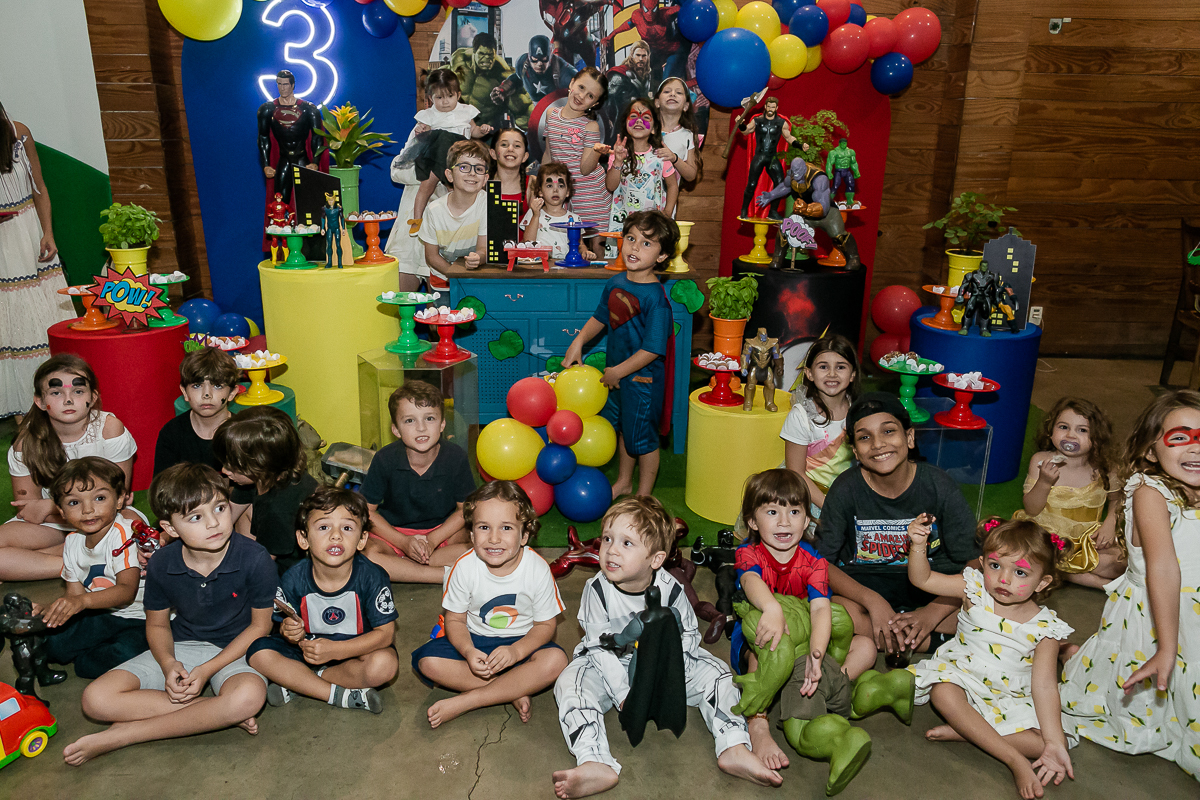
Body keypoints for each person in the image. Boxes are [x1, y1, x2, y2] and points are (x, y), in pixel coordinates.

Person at [552, 495, 780, 798]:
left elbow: (687, 635)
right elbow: (599, 647)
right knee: (570, 684)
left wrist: (667, 676)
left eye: (626, 543)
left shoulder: (671, 589)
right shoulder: (597, 589)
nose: (611, 550)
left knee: (720, 674)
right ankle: (594, 761)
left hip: (664, 664)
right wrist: (624, 693)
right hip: (610, 664)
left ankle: (734, 746)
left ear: (656, 559)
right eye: (607, 538)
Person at [64, 463, 277, 766]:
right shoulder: (162, 563)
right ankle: (210, 713)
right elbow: (157, 624)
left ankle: (125, 734)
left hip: (239, 651)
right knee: (95, 700)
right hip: (184, 646)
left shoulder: (255, 558)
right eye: (195, 517)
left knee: (247, 698)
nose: (214, 523)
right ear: (171, 528)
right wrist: (167, 664)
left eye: (219, 508)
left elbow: (260, 627)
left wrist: (208, 670)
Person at [1059, 389, 1200, 782]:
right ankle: (1064, 650)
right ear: (1152, 450)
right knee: (1125, 691)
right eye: (1180, 437)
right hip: (1157, 618)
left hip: (1194, 612)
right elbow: (1164, 569)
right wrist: (1168, 648)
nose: (1196, 449)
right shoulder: (1152, 494)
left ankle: (1072, 652)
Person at [908, 517, 1075, 799]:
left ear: (1042, 582)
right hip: (963, 673)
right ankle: (1012, 758)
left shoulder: (1046, 629)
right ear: (983, 563)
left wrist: (1055, 742)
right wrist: (917, 546)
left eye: (1021, 573)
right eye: (996, 566)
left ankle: (967, 731)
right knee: (943, 694)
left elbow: (1045, 686)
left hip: (1010, 692)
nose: (1004, 579)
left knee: (1048, 742)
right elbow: (922, 579)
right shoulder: (973, 589)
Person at [730, 470, 877, 775]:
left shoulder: (814, 562)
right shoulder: (748, 553)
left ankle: (819, 684)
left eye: (794, 511)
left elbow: (821, 609)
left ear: (807, 519)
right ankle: (757, 723)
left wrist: (816, 655)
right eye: (772, 512)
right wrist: (771, 608)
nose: (784, 521)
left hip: (808, 637)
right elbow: (750, 580)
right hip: (764, 638)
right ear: (753, 522)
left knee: (866, 645)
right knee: (764, 645)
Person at [817, 392, 979, 664]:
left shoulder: (939, 485)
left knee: (982, 606)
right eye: (864, 437)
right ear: (855, 451)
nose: (878, 444)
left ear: (910, 438)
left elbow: (973, 562)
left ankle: (898, 637)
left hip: (933, 587)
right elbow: (822, 562)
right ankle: (928, 642)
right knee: (831, 610)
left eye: (889, 431)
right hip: (866, 589)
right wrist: (872, 601)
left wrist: (934, 611)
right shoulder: (845, 488)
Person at [412, 481, 567, 729]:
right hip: (476, 641)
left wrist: (516, 652)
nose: (494, 538)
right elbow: (454, 620)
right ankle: (513, 688)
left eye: (506, 528)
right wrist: (468, 652)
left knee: (556, 661)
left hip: (523, 645)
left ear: (525, 535)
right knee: (428, 662)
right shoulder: (463, 567)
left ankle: (472, 700)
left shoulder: (537, 569)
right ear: (472, 534)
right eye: (484, 527)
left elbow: (546, 625)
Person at [247, 486, 398, 714]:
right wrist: (290, 631)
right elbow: (283, 625)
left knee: (385, 666)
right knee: (258, 653)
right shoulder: (292, 578)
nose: (336, 535)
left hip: (352, 651)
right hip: (307, 651)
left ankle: (303, 683)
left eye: (347, 528)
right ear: (303, 538)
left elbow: (385, 634)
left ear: (362, 539)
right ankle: (339, 695)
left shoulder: (373, 577)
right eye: (324, 527)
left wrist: (336, 650)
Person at [563, 210, 679, 498]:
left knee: (645, 439)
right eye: (631, 238)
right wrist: (579, 341)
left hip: (642, 382)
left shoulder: (656, 299)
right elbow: (600, 317)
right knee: (625, 430)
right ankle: (624, 481)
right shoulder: (615, 283)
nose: (635, 247)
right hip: (617, 375)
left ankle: (644, 495)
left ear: (662, 256)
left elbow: (652, 350)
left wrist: (618, 371)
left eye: (647, 243)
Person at [1, 354, 137, 581]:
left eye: (78, 391)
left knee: (134, 529)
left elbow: (115, 499)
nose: (67, 400)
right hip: (56, 523)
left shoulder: (110, 430)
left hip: (106, 519)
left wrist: (48, 505)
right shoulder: (26, 444)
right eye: (56, 393)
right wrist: (56, 511)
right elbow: (28, 510)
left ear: (93, 397)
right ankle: (85, 561)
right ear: (39, 401)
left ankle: (45, 560)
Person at [38, 457, 147, 679]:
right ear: (61, 510)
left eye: (99, 498)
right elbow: (75, 596)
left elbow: (127, 591)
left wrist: (81, 602)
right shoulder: (71, 542)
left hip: (143, 617)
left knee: (104, 660)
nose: (88, 510)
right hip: (102, 612)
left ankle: (97, 655)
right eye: (74, 502)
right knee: (51, 644)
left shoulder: (124, 535)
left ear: (119, 501)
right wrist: (50, 610)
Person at [0, 100, 74, 419]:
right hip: (3, 243)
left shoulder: (19, 133)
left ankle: (65, 397)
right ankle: (24, 416)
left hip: (29, 231)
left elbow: (39, 187)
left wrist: (48, 233)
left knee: (45, 316)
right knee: (12, 327)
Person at [361, 380, 475, 583]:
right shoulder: (384, 459)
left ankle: (406, 567)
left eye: (429, 418)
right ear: (395, 429)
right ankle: (443, 575)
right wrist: (404, 542)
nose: (421, 428)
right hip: (395, 535)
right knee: (365, 554)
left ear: (442, 424)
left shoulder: (455, 456)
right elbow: (366, 511)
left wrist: (432, 539)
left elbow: (464, 510)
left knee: (477, 544)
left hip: (443, 533)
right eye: (409, 421)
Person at [1013, 397, 1124, 588]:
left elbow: (1117, 500)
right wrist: (1044, 482)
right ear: (1051, 431)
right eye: (1063, 427)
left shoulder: (1105, 468)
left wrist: (1110, 523)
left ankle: (1059, 573)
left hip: (1086, 540)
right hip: (1046, 538)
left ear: (1097, 438)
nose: (1071, 435)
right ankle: (1095, 582)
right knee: (1024, 553)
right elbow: (1031, 509)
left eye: (1082, 430)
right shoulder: (1040, 460)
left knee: (1121, 560)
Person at [212, 407, 318, 577]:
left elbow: (264, 562)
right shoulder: (268, 473)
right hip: (272, 537)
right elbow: (231, 511)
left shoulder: (277, 509)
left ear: (259, 466)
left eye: (232, 466)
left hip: (290, 572)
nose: (224, 470)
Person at [397, 68, 494, 236]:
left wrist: (482, 130)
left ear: (458, 94)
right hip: (436, 160)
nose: (445, 102)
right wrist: (422, 131)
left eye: (450, 96)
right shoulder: (429, 115)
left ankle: (460, 224)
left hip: (459, 162)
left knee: (458, 194)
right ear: (430, 98)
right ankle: (417, 219)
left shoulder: (465, 111)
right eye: (439, 98)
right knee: (426, 188)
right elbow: (423, 136)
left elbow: (475, 131)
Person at [781, 335, 861, 511]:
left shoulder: (860, 412)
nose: (832, 374)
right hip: (809, 495)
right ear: (809, 373)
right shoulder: (801, 417)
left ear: (853, 374)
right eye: (823, 367)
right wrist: (830, 509)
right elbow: (797, 473)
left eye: (840, 367)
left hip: (848, 493)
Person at [542, 68, 610, 250]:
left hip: (591, 196)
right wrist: (540, 183)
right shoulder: (551, 115)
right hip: (563, 194)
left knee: (597, 249)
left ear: (595, 104)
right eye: (580, 87)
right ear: (571, 84)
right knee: (568, 247)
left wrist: (596, 151)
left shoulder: (591, 126)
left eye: (590, 95)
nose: (581, 96)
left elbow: (585, 169)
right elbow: (549, 154)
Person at [756, 155, 863, 271]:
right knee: (785, 228)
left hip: (826, 214)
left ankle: (853, 258)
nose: (796, 177)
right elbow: (786, 186)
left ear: (804, 170)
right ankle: (777, 259)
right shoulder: (792, 174)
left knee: (839, 236)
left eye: (799, 174)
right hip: (803, 212)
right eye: (794, 173)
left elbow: (824, 207)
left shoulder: (819, 178)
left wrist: (807, 209)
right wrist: (771, 195)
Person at [599, 100, 678, 254]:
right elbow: (610, 186)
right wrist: (618, 162)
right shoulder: (618, 154)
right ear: (626, 125)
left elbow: (673, 185)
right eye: (634, 116)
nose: (639, 120)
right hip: (623, 221)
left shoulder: (661, 156)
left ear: (654, 128)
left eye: (646, 117)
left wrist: (667, 213)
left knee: (648, 256)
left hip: (652, 223)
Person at [153, 346, 239, 476]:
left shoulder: (243, 434)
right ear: (185, 392)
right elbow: (162, 488)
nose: (206, 395)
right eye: (197, 386)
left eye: (217, 386)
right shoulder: (172, 433)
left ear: (232, 393)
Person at [418, 140, 491, 276]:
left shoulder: (487, 204)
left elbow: (483, 249)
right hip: (443, 274)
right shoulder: (434, 210)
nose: (472, 173)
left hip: (475, 275)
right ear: (450, 175)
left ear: (485, 179)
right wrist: (456, 276)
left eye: (479, 169)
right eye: (464, 167)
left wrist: (479, 258)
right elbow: (432, 257)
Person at [256, 70, 321, 206]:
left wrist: (315, 161)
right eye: (279, 84)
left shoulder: (308, 109)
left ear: (292, 85)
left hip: (302, 159)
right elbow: (263, 137)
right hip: (284, 159)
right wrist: (266, 165)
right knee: (280, 200)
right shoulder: (267, 110)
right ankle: (281, 226)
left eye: (285, 84)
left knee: (307, 201)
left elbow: (317, 136)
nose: (282, 87)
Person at [450, 33, 532, 131]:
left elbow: (524, 111)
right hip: (458, 128)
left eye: (490, 55)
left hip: (485, 131)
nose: (486, 59)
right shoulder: (459, 58)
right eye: (482, 54)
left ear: (495, 54)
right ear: (474, 52)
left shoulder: (502, 73)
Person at [521, 162, 595, 260]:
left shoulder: (574, 218)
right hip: (540, 267)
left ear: (568, 191)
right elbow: (528, 241)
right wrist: (535, 215)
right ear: (540, 191)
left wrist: (585, 252)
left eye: (560, 186)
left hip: (567, 268)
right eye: (549, 186)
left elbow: (580, 244)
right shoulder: (534, 213)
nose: (555, 190)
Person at [737, 97, 795, 219]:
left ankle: (773, 212)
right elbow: (747, 131)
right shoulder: (757, 120)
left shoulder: (781, 123)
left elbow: (789, 137)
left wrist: (800, 144)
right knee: (752, 184)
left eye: (773, 107)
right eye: (769, 106)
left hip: (772, 158)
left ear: (776, 108)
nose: (770, 109)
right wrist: (741, 125)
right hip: (759, 156)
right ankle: (744, 210)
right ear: (765, 107)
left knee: (780, 184)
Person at [600, 41, 653, 147]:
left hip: (639, 124)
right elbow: (609, 103)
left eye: (644, 56)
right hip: (620, 124)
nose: (641, 59)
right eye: (638, 55)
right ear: (632, 56)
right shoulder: (619, 74)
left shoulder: (646, 75)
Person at [653, 77, 702, 185]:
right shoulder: (646, 131)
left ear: (686, 106)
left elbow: (691, 175)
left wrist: (674, 158)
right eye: (667, 91)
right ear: (657, 103)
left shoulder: (688, 136)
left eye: (679, 92)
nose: (672, 94)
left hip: (667, 200)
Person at [512, 35, 577, 103]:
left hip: (559, 106)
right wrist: (503, 89)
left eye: (544, 59)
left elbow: (581, 85)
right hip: (535, 106)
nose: (539, 63)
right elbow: (516, 78)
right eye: (535, 59)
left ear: (550, 56)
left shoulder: (564, 71)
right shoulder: (521, 65)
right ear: (529, 57)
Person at [491, 127, 531, 220]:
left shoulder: (532, 184)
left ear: (525, 156)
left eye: (517, 146)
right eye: (504, 144)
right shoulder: (481, 183)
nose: (510, 149)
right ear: (493, 153)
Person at [825, 138, 860, 209]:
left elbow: (853, 162)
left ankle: (850, 201)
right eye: (842, 143)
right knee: (835, 185)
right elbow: (829, 163)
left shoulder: (850, 152)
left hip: (847, 170)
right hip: (838, 170)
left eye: (845, 143)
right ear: (839, 143)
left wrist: (856, 171)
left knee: (851, 184)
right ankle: (828, 200)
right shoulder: (834, 152)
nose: (843, 144)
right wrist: (829, 172)